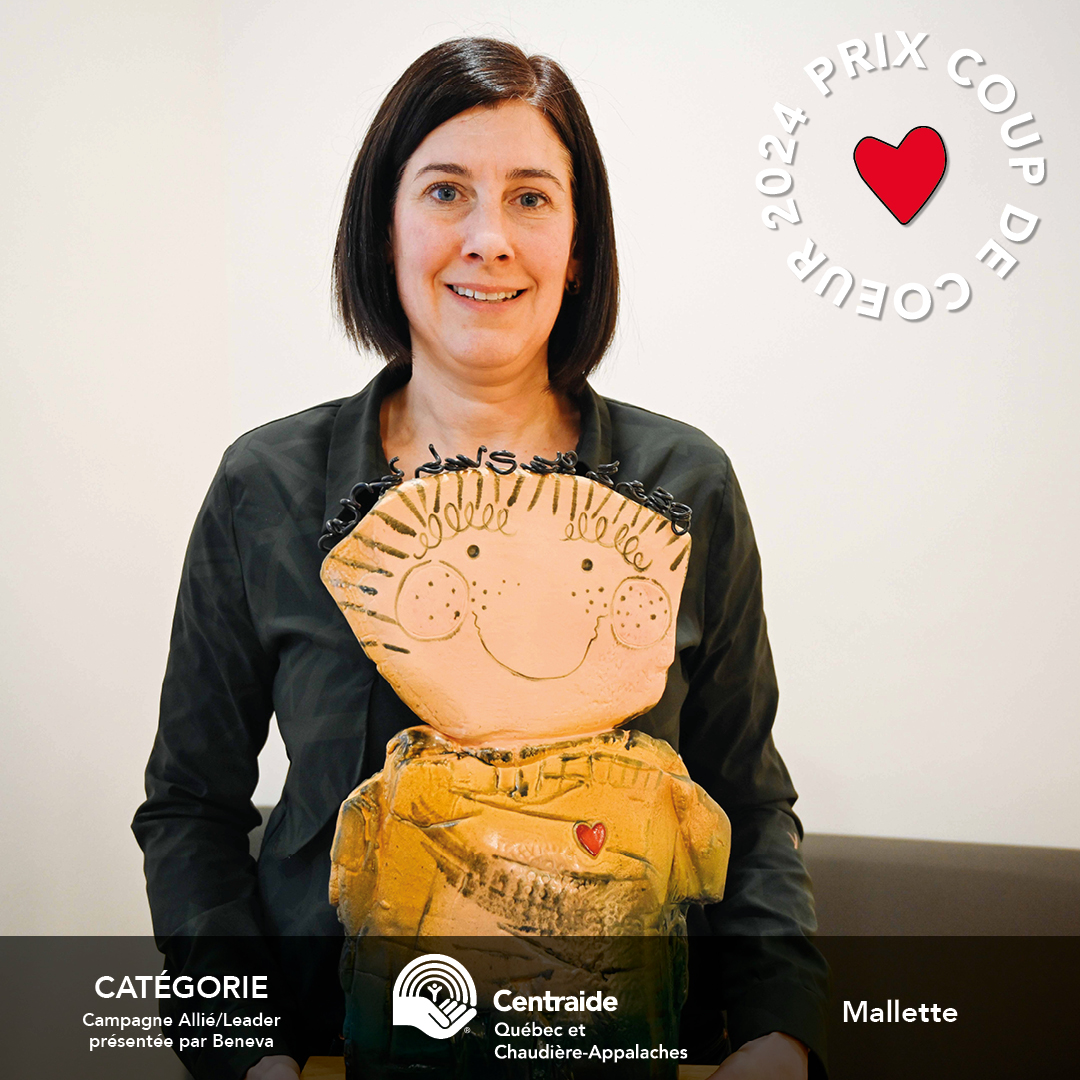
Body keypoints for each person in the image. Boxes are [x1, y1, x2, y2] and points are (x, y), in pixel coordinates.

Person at [133, 37, 828, 1080]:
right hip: (329, 1054)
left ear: (579, 245)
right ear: (385, 229)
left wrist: (779, 1036)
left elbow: (750, 804)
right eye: (446, 191)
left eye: (531, 198)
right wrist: (247, 1056)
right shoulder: (265, 488)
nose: (488, 239)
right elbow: (191, 809)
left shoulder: (687, 486)